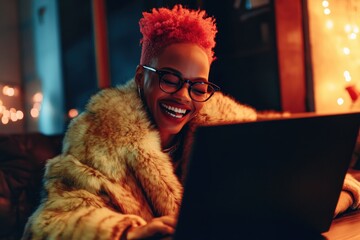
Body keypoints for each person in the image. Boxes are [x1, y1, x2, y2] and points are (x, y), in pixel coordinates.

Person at [22, 4, 360, 239]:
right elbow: (49, 224)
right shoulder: (97, 138)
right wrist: (130, 231)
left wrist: (326, 200)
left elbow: (320, 180)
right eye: (170, 79)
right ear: (142, 77)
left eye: (198, 86)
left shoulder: (233, 130)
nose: (184, 96)